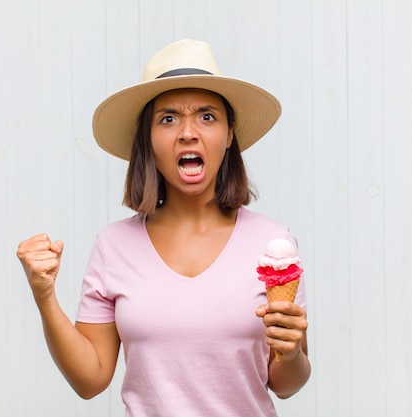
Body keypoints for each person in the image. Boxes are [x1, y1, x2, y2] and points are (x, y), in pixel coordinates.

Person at [17, 39, 310, 417]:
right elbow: (90, 380)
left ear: (229, 134)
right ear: (148, 139)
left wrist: (292, 351)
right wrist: (44, 297)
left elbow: (288, 384)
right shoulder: (113, 245)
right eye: (168, 118)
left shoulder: (274, 245)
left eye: (207, 116)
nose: (188, 132)